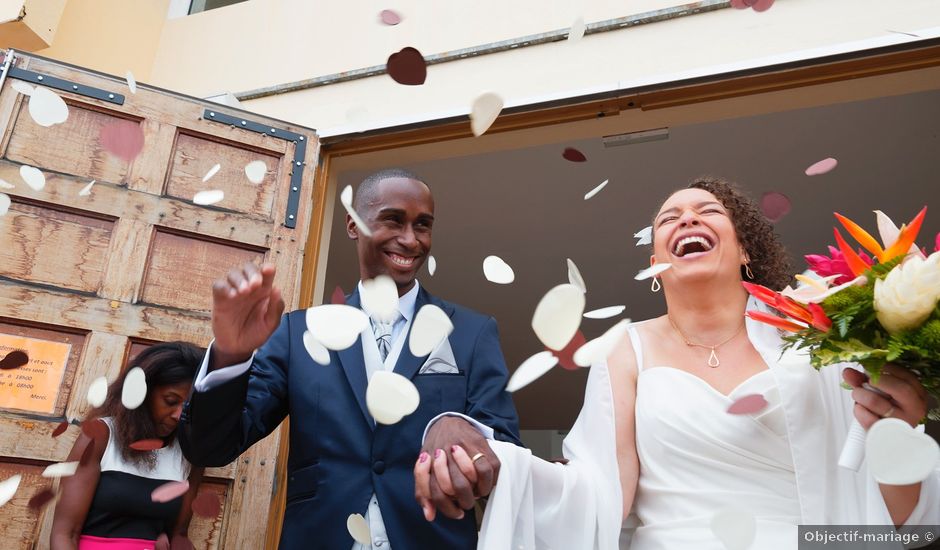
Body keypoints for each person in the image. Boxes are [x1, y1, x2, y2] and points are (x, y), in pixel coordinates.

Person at [417, 176, 940, 549]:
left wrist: (897, 436)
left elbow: (897, 522)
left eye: (708, 211)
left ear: (744, 251)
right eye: (669, 218)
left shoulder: (814, 342)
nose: (687, 217)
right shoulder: (624, 349)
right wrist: (481, 446)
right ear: (655, 266)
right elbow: (598, 494)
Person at [178, 168, 522, 550]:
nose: (410, 240)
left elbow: (506, 450)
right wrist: (231, 354)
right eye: (393, 220)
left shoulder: (472, 333)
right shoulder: (297, 333)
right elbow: (211, 448)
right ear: (353, 225)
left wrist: (458, 425)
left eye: (423, 225)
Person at [51, 341, 204, 550]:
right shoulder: (101, 436)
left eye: (188, 407)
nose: (178, 415)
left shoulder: (189, 453)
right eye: (170, 400)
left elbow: (178, 535)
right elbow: (65, 533)